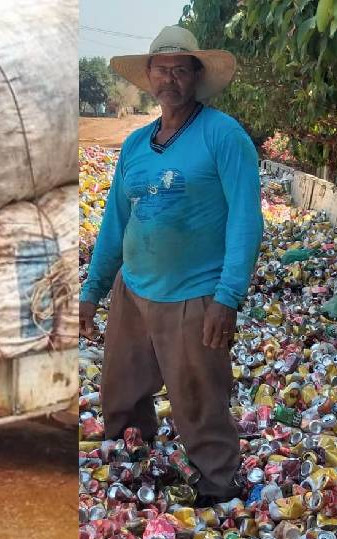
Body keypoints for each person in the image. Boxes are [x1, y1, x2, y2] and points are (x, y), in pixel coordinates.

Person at [79, 26, 264, 505]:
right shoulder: (137, 145)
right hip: (133, 291)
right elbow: (115, 224)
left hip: (194, 295)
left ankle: (218, 484)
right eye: (162, 69)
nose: (170, 79)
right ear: (148, 76)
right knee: (121, 392)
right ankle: (134, 465)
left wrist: (228, 296)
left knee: (199, 399)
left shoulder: (223, 136)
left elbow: (246, 218)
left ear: (195, 77)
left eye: (181, 69)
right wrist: (92, 290)